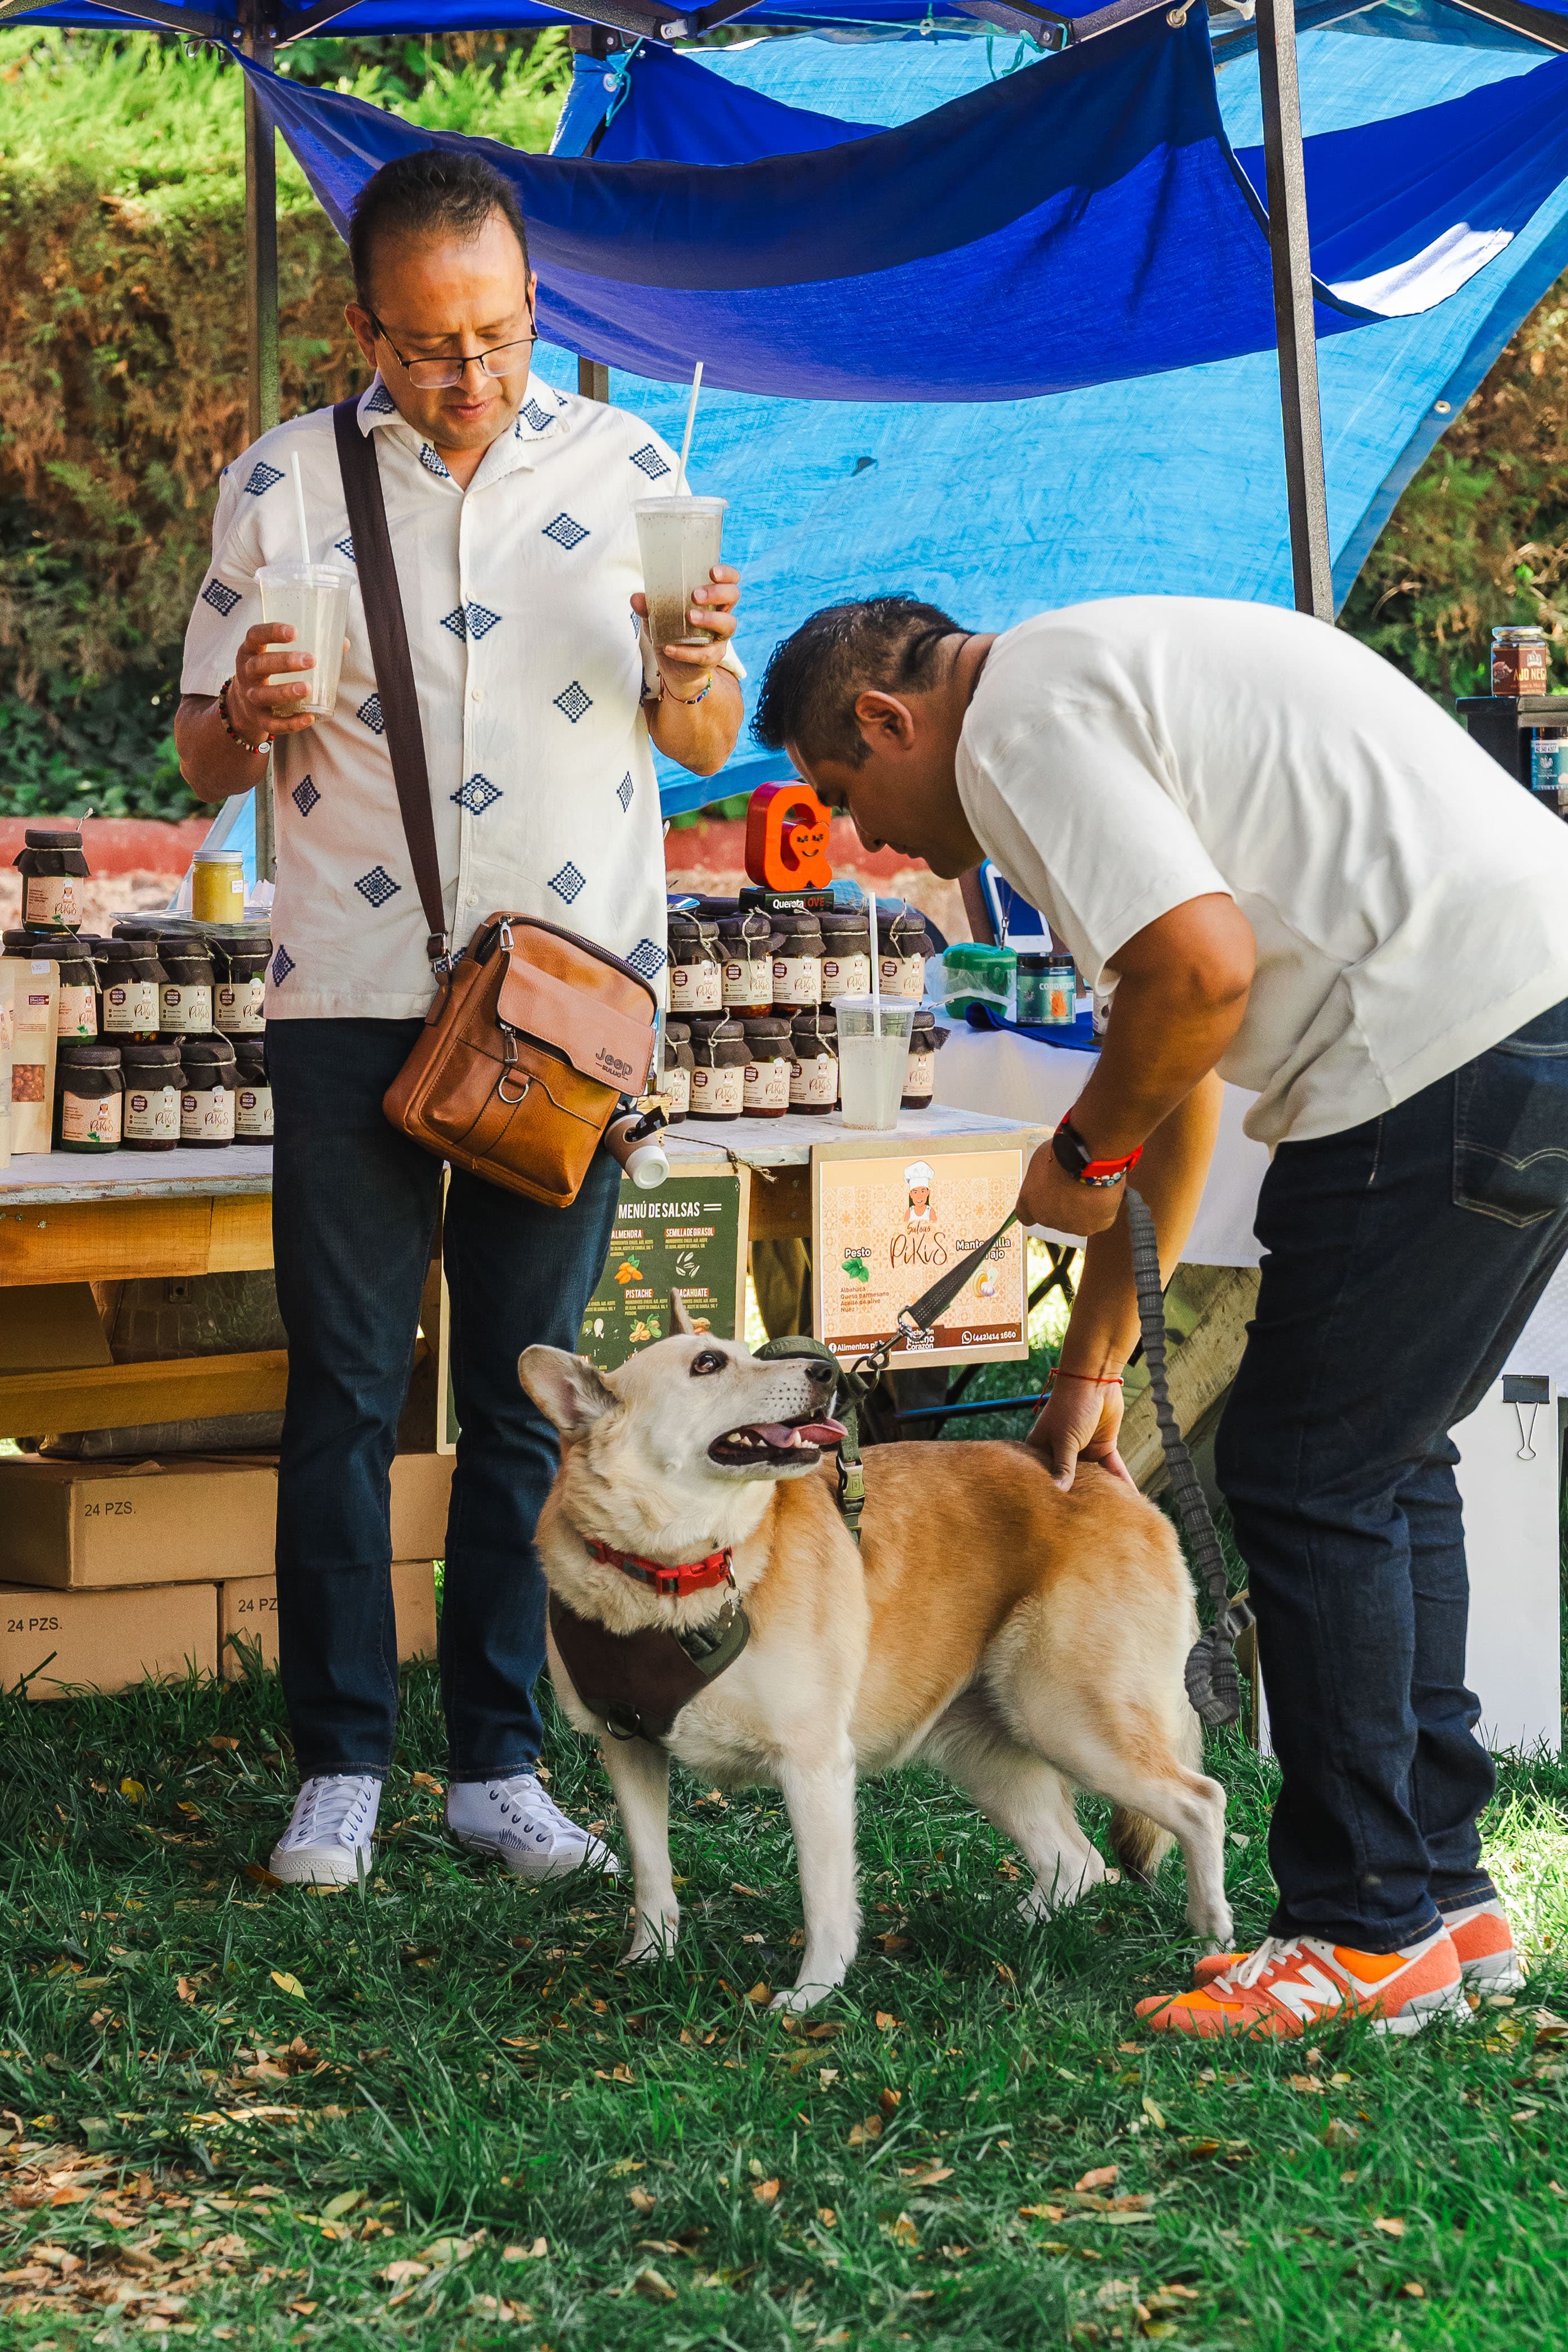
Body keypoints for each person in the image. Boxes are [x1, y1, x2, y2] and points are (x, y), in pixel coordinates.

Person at [754, 592, 1568, 2039]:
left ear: (888, 718)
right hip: (1529, 1008)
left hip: (1438, 1038)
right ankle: (1442, 1896)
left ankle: (1360, 1927)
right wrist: (1092, 1360)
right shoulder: (1090, 679)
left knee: (1311, 1476)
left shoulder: (1019, 721)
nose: (867, 839)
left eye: (844, 792)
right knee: (1384, 1459)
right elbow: (1178, 1071)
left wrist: (1075, 1147)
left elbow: (1198, 975)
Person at [175, 148, 744, 1887]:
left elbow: (708, 742)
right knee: (343, 1389)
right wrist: (247, 709)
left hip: (566, 1016)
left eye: (499, 336)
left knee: (526, 1400)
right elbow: (199, 758)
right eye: (430, 347)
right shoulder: (278, 486)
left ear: (533, 310)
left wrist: (697, 659)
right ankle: (339, 1760)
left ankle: (497, 1756)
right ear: (367, 328)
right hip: (350, 996)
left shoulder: (638, 464)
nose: (473, 375)